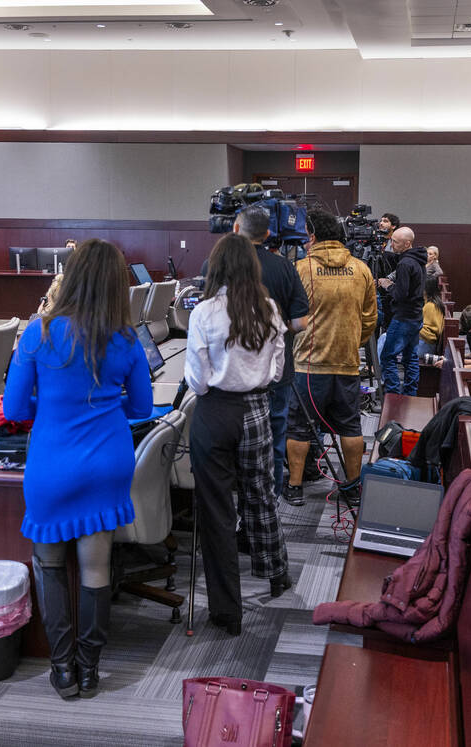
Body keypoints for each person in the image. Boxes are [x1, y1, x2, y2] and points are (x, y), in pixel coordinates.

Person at [3, 239, 153, 700]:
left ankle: (62, 668)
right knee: (95, 569)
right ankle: (90, 669)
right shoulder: (126, 339)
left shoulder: (39, 333)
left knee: (49, 565)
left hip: (53, 461)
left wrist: (51, 399)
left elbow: (12, 408)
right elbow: (142, 408)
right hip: (108, 461)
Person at [185, 233, 290, 636]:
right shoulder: (269, 308)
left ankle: (228, 612)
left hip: (215, 414)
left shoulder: (204, 313)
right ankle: (276, 573)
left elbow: (197, 380)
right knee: (260, 495)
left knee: (217, 512)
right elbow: (278, 371)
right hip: (257, 410)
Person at [285, 209, 377, 506]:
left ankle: (295, 487)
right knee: (350, 427)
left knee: (299, 427)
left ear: (311, 236)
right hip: (348, 364)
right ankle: (351, 488)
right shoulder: (361, 269)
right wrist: (351, 343)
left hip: (309, 366)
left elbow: (289, 317)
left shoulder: (301, 268)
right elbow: (370, 319)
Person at [231, 208, 309, 504]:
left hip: (231, 373)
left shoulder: (218, 265)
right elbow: (301, 323)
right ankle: (270, 502)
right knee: (275, 438)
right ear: (268, 234)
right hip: (276, 370)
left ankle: (239, 508)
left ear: (236, 228)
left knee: (234, 443)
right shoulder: (284, 266)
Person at [378, 227, 427, 395]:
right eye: (392, 240)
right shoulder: (419, 258)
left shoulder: (405, 263)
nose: (392, 244)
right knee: (410, 358)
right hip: (416, 315)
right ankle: (410, 395)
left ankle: (393, 395)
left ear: (407, 243)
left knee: (387, 357)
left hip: (404, 316)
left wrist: (387, 285)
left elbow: (400, 294)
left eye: (396, 242)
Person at [414, 274, 445, 360]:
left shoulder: (430, 306)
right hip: (425, 344)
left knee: (385, 339)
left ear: (425, 289)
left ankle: (378, 370)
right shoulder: (432, 304)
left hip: (425, 347)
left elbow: (430, 336)